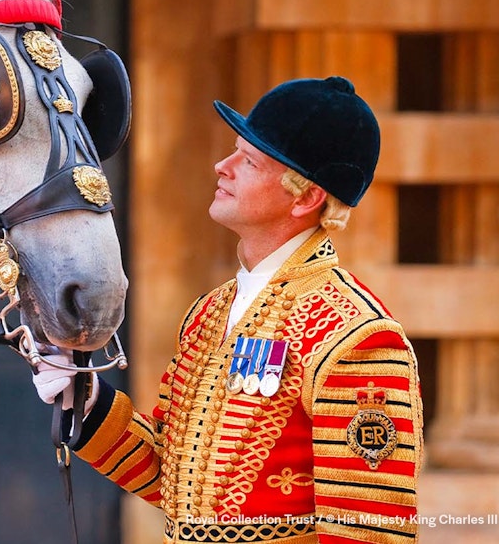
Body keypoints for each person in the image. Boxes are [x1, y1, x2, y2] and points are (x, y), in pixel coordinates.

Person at [34, 76, 423, 543]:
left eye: (250, 160)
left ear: (306, 197)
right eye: (234, 150)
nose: (223, 165)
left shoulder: (355, 336)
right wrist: (89, 400)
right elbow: (176, 484)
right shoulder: (209, 313)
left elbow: (367, 531)